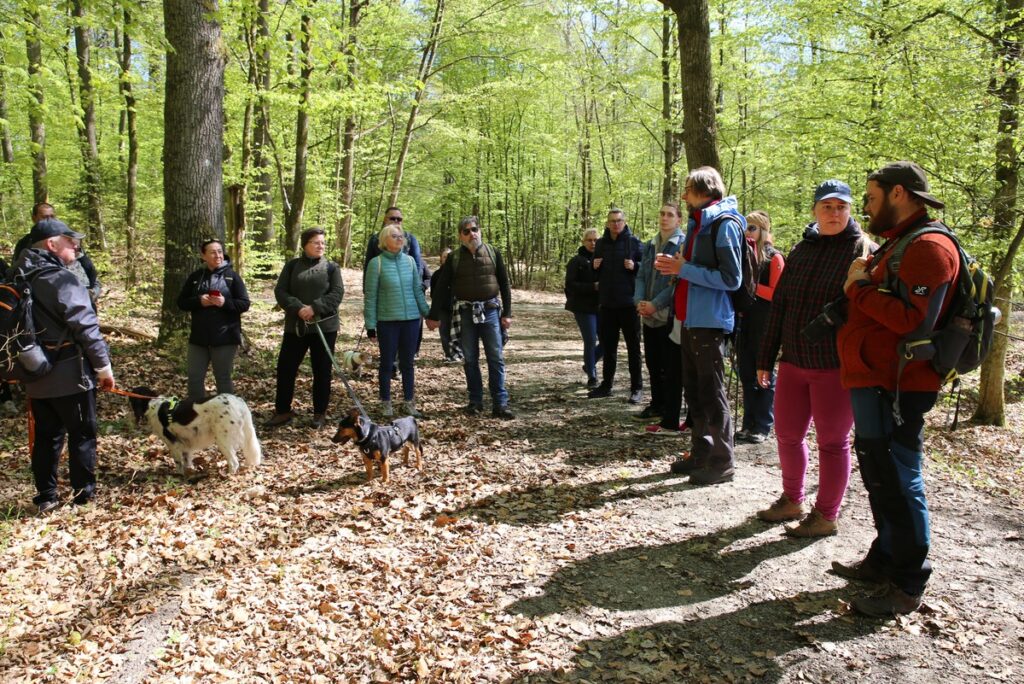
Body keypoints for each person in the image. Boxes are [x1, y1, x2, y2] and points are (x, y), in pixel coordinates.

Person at [834, 162, 959, 617]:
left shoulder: (928, 247)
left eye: (870, 198)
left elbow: (911, 320)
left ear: (899, 194)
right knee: (879, 474)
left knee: (899, 478)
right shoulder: (900, 244)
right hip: (875, 377)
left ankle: (909, 582)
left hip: (899, 385)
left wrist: (857, 287)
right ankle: (885, 557)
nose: (866, 207)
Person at [754, 181, 868, 538]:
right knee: (787, 434)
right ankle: (792, 498)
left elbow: (867, 311)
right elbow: (781, 305)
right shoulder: (802, 249)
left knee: (833, 442)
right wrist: (766, 357)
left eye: (840, 207)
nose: (834, 213)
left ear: (850, 211)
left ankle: (826, 515)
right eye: (827, 207)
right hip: (793, 361)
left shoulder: (863, 251)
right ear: (815, 210)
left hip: (835, 365)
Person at [14, 218, 115, 513]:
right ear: (51, 244)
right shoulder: (61, 279)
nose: (75, 244)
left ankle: (46, 496)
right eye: (69, 239)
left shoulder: (18, 278)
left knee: (46, 436)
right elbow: (86, 327)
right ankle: (83, 498)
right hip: (71, 375)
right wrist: (104, 367)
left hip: (34, 373)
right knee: (82, 434)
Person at [655, 166, 745, 486]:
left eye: (687, 190)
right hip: (690, 319)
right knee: (694, 393)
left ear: (703, 190)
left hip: (710, 321)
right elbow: (695, 270)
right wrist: (678, 270)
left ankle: (723, 462)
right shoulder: (699, 222)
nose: (683, 196)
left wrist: (686, 269)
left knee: (712, 393)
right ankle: (702, 453)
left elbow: (732, 279)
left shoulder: (724, 224)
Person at [426, 216, 514, 419]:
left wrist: (507, 313)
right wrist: (433, 315)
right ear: (460, 236)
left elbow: (505, 284)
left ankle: (500, 404)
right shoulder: (455, 258)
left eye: (474, 229)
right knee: (470, 359)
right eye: (466, 231)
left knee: (496, 358)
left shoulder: (493, 253)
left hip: (491, 312)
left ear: (480, 231)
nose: (472, 233)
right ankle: (475, 402)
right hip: (465, 314)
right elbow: (441, 288)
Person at [267, 227, 345, 430]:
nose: (321, 246)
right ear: (305, 245)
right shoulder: (292, 266)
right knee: (286, 368)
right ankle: (283, 410)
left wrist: (315, 308)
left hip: (324, 327)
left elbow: (337, 293)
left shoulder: (331, 268)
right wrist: (298, 307)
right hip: (296, 327)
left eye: (322, 243)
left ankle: (319, 412)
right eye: (316, 242)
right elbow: (281, 291)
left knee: (322, 371)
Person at [364, 224, 429, 417]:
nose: (400, 239)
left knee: (408, 363)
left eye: (401, 236)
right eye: (395, 236)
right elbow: (370, 296)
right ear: (385, 240)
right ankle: (386, 402)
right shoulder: (377, 263)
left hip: (410, 321)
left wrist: (428, 313)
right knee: (386, 363)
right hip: (387, 322)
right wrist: (371, 326)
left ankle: (409, 402)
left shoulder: (410, 262)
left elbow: (418, 291)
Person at [176, 239, 251, 401]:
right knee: (194, 378)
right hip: (198, 338)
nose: (218, 255)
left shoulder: (232, 277)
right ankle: (195, 416)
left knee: (223, 377)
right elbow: (181, 302)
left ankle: (228, 415)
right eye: (212, 252)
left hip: (225, 337)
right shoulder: (196, 277)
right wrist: (198, 301)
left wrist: (225, 303)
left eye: (219, 251)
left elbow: (244, 304)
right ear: (203, 256)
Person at [735, 211, 785, 444]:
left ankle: (763, 425)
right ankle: (748, 424)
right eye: (746, 228)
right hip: (745, 322)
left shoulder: (775, 258)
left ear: (763, 231)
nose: (748, 232)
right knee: (745, 374)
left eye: (752, 228)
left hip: (765, 323)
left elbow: (779, 294)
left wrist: (751, 288)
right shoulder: (743, 256)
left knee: (762, 374)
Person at [634, 202, 685, 421]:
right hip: (648, 315)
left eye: (670, 215)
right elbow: (641, 276)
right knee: (653, 363)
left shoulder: (682, 245)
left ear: (679, 220)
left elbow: (676, 284)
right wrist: (639, 301)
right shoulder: (650, 245)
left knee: (670, 365)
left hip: (668, 315)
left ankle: (670, 407)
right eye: (662, 214)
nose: (664, 218)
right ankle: (656, 403)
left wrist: (656, 304)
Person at [588, 208, 643, 404]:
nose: (616, 224)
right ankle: (606, 385)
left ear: (624, 221)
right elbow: (594, 275)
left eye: (619, 220)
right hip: (607, 305)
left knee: (633, 348)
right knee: (608, 347)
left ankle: (636, 388)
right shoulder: (601, 244)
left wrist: (635, 266)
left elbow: (646, 269)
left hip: (629, 305)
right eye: (612, 221)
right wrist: (593, 267)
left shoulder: (634, 242)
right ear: (607, 223)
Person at [14, 203, 101, 306]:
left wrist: (94, 290)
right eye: (45, 217)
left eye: (52, 216)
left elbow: (88, 267)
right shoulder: (25, 244)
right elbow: (17, 273)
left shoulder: (64, 237)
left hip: (81, 296)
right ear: (34, 218)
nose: (50, 220)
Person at [564, 229, 603, 388]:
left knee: (608, 340)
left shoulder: (603, 260)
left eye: (595, 240)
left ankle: (589, 363)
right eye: (589, 240)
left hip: (602, 306)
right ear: (583, 241)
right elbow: (570, 285)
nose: (593, 243)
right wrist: (592, 287)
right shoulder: (576, 261)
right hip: (582, 307)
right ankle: (592, 376)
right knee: (590, 340)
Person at [431, 247, 462, 362]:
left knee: (458, 331)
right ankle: (449, 354)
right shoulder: (436, 275)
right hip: (442, 308)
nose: (447, 259)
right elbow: (433, 293)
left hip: (457, 307)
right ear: (441, 259)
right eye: (444, 256)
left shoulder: (459, 273)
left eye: (449, 256)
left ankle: (458, 353)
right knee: (444, 333)